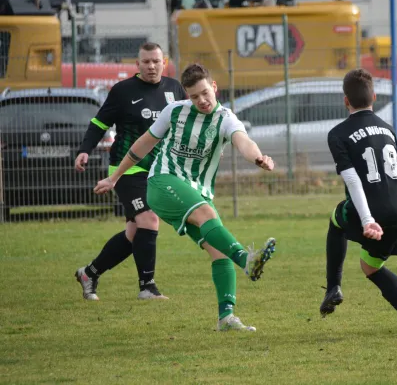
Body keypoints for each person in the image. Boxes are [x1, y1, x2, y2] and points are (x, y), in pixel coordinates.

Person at [93, 63, 277, 332]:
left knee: (218, 251)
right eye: (194, 96)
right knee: (209, 217)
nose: (201, 100)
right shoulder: (175, 111)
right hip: (162, 182)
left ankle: (225, 317)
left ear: (214, 88)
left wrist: (259, 158)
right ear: (187, 96)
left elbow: (243, 142)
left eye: (205, 93)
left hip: (197, 190)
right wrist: (115, 176)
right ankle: (245, 260)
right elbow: (143, 143)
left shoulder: (226, 118)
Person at [319, 68, 397, 337]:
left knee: (336, 219)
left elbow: (353, 180)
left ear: (346, 100)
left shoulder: (338, 133)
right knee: (371, 267)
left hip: (370, 210)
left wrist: (368, 219)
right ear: (374, 96)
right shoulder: (387, 128)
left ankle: (333, 286)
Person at [74, 42, 187, 301]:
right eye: (146, 61)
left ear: (164, 62)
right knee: (149, 220)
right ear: (137, 64)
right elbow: (98, 123)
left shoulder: (174, 88)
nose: (151, 66)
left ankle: (89, 273)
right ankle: (147, 287)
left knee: (134, 232)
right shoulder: (123, 91)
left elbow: (187, 124)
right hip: (126, 169)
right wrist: (85, 150)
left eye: (156, 61)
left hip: (158, 170)